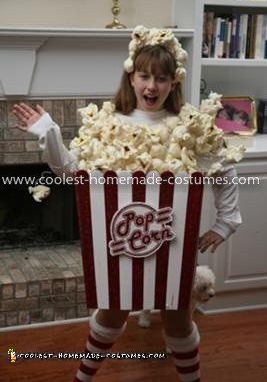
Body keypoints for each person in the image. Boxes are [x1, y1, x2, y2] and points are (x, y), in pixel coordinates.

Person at [12, 25, 242, 382]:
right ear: (131, 77)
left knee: (178, 316)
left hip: (174, 240)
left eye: (162, 79)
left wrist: (226, 221)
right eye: (145, 76)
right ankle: (83, 377)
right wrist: (49, 133)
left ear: (174, 82)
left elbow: (224, 168)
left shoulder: (191, 125)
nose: (152, 86)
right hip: (121, 240)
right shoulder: (109, 124)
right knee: (113, 311)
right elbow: (74, 175)